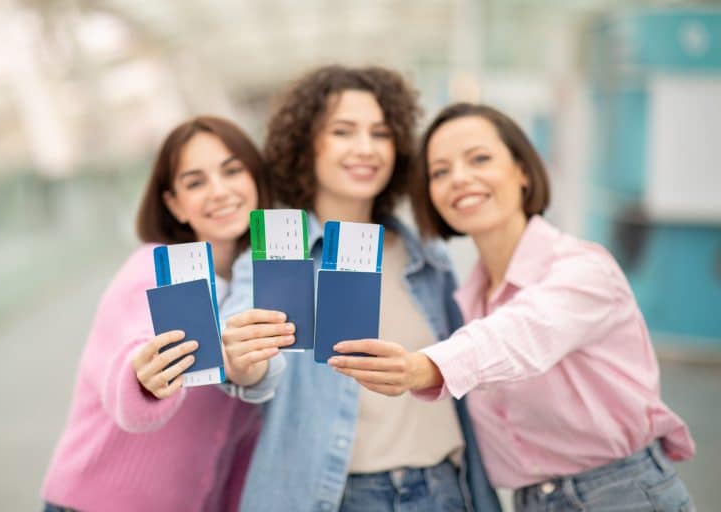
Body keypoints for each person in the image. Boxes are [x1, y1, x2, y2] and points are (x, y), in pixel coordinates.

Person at [329, 102, 697, 511]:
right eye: (440, 171)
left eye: (480, 159)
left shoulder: (582, 269)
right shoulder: (466, 296)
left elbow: (521, 334)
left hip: (621, 494)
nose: (460, 179)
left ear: (523, 170)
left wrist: (421, 368)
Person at [220, 66, 501, 512]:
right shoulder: (278, 253)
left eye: (381, 133)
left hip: (447, 487)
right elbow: (251, 365)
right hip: (341, 497)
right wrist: (241, 360)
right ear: (305, 144)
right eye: (343, 131)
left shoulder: (425, 256)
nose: (365, 148)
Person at [41, 115, 273, 512]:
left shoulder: (263, 281)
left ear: (256, 180)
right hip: (95, 503)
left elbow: (244, 431)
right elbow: (128, 363)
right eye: (195, 182)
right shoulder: (150, 270)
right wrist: (145, 377)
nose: (219, 191)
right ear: (174, 205)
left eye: (233, 171)